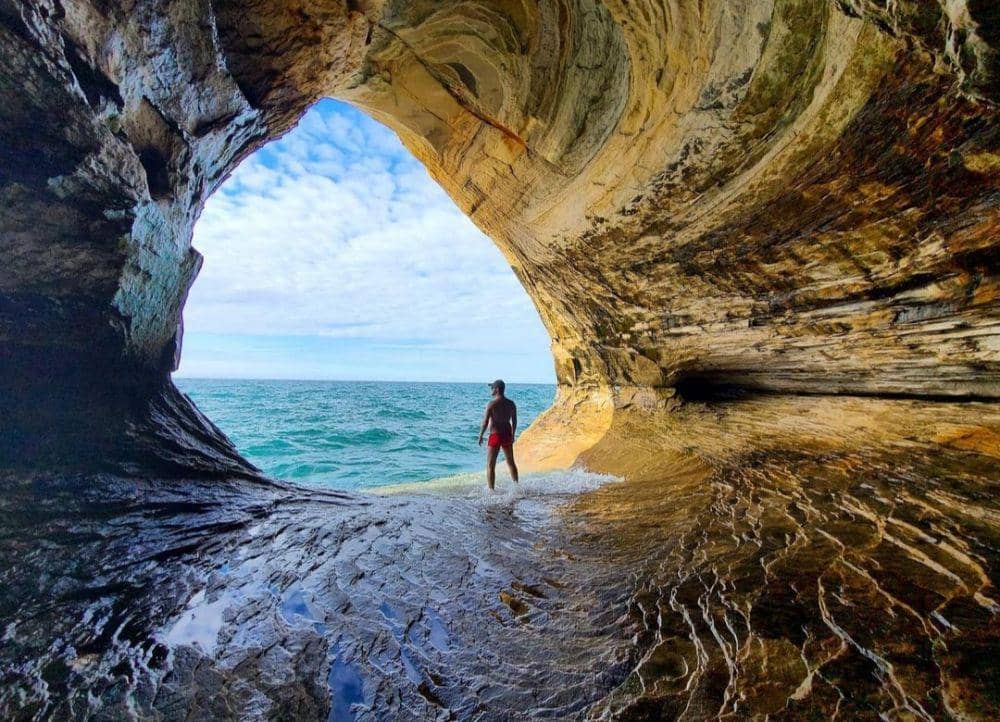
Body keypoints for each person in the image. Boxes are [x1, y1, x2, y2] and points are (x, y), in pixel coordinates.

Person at [477, 379, 519, 490]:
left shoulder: (491, 404)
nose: (491, 390)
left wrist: (480, 435)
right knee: (511, 462)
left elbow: (485, 422)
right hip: (507, 434)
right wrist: (513, 434)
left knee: (491, 465)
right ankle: (517, 487)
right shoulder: (511, 404)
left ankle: (491, 490)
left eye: (492, 388)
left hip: (495, 435)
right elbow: (514, 421)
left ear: (497, 389)